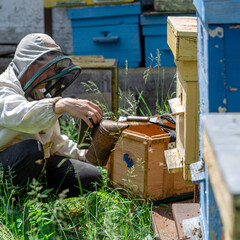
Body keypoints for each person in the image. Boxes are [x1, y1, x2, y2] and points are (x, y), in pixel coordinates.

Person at [0, 33, 103, 198]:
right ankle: (12, 205)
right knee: (32, 149)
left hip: (34, 164)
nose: (51, 75)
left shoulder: (38, 93)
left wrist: (85, 156)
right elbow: (22, 115)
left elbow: (52, 142)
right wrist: (60, 105)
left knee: (90, 177)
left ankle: (36, 197)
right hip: (6, 164)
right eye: (47, 68)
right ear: (30, 64)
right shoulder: (3, 88)